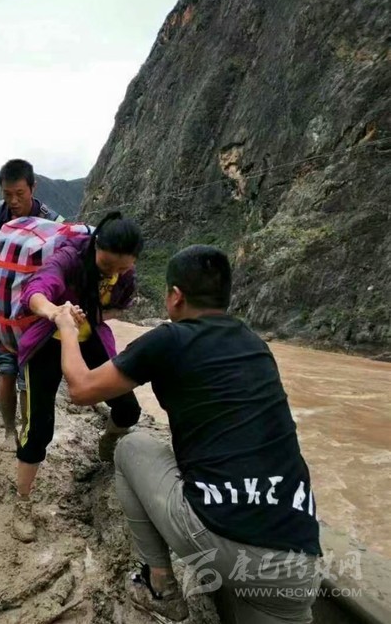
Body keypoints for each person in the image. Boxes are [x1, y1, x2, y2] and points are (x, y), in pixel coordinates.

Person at [54, 245, 321, 623]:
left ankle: (159, 587)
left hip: (224, 542)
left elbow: (81, 389)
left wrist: (67, 329)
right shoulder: (256, 346)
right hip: (301, 563)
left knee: (130, 447)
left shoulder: (169, 339)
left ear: (176, 296)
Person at [11, 212, 143, 542]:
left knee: (128, 408)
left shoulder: (125, 274)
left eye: (122, 267)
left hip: (90, 340)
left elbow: (120, 306)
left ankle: (109, 439)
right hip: (47, 342)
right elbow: (36, 290)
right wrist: (56, 312)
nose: (113, 273)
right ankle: (22, 501)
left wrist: (93, 313)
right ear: (96, 245)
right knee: (39, 429)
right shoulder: (70, 257)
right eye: (107, 265)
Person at [0, 159, 62, 441]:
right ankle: (9, 431)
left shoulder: (52, 223)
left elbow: (61, 265)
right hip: (2, 311)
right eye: (7, 194)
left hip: (35, 315)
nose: (14, 201)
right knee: (5, 371)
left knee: (29, 380)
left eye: (20, 194)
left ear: (33, 187)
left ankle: (28, 436)